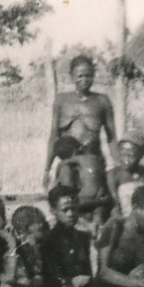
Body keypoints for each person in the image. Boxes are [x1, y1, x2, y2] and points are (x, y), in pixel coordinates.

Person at [47, 54, 115, 206]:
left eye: (89, 75)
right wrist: (47, 169)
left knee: (93, 200)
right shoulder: (61, 100)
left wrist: (118, 165)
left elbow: (112, 137)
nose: (84, 79)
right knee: (66, 200)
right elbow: (53, 136)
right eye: (80, 76)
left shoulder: (102, 101)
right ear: (72, 77)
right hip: (67, 161)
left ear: (94, 76)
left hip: (92, 159)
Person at [107, 132, 144, 222]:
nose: (126, 159)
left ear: (141, 155)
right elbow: (115, 204)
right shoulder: (114, 174)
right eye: (123, 154)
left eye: (131, 155)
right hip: (123, 218)